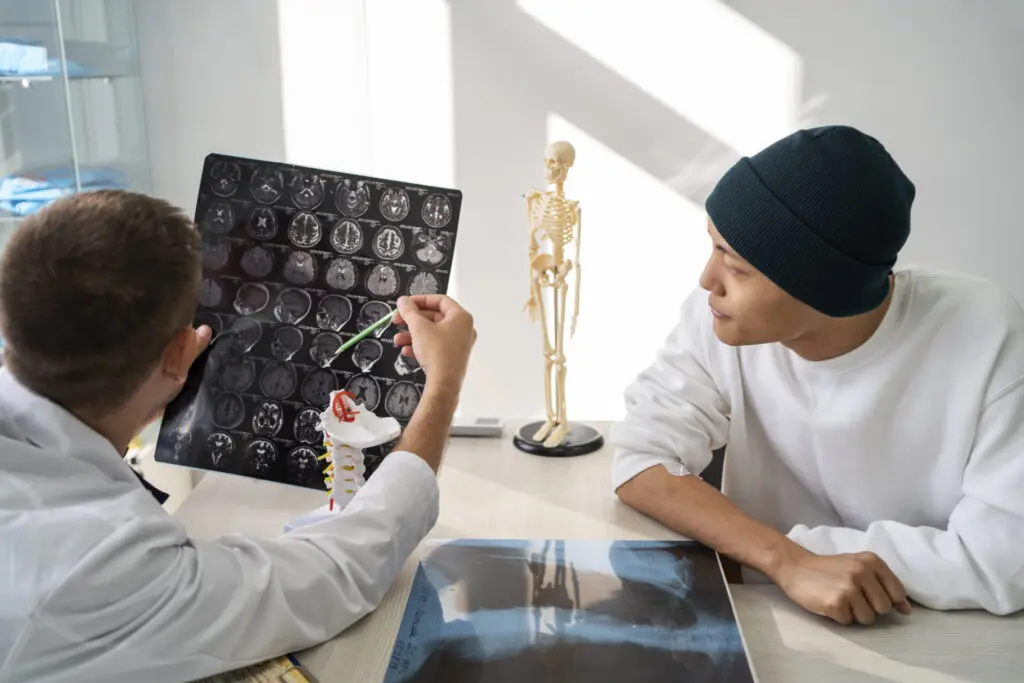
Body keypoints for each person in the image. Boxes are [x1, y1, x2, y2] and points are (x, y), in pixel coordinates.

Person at [0, 191, 477, 682]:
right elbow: (335, 575)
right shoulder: (107, 563)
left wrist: (153, 383)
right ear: (184, 350)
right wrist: (445, 381)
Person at [610, 125, 1024, 625]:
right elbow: (641, 459)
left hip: (936, 631)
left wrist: (783, 554)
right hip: (770, 617)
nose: (707, 281)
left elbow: (1005, 560)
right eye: (714, 247)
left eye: (736, 267)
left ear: (822, 288)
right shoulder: (716, 318)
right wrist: (788, 561)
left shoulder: (984, 333)